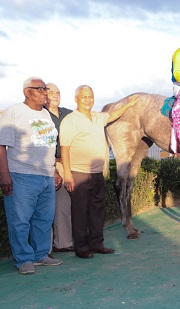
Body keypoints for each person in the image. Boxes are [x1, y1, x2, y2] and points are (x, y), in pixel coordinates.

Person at [60, 86, 138, 259]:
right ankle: (81, 247)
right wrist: (67, 173)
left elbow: (112, 115)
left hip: (97, 173)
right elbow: (64, 148)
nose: (88, 100)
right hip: (78, 173)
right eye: (84, 97)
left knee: (98, 209)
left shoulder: (97, 117)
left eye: (90, 96)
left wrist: (129, 104)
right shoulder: (70, 120)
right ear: (76, 99)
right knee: (80, 212)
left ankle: (97, 243)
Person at [0, 77, 63, 274]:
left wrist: (53, 170)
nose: (45, 92)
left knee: (44, 218)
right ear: (27, 92)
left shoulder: (45, 114)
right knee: (20, 220)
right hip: (21, 174)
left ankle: (41, 254)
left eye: (46, 89)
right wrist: (4, 175)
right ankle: (23, 259)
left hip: (45, 176)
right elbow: (2, 146)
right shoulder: (13, 112)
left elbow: (47, 145)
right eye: (40, 89)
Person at [45, 83, 74, 252]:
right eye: (51, 92)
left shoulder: (68, 114)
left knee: (66, 206)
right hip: (52, 164)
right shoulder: (41, 115)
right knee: (54, 206)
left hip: (71, 163)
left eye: (58, 92)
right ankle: (49, 247)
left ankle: (63, 243)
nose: (55, 95)